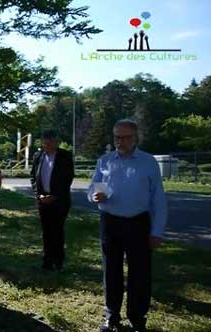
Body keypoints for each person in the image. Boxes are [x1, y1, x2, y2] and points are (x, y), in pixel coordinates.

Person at [88, 119, 167, 332]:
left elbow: (158, 199)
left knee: (139, 273)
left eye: (125, 137)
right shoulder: (105, 161)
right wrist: (96, 196)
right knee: (111, 271)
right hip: (110, 223)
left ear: (136, 138)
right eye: (117, 137)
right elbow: (93, 189)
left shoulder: (148, 162)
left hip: (138, 223)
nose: (120, 141)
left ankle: (137, 318)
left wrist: (157, 230)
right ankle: (111, 315)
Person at [30, 129, 74, 271]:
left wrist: (54, 196)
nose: (48, 146)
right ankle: (47, 261)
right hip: (43, 201)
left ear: (57, 142)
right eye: (45, 143)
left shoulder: (65, 156)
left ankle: (58, 262)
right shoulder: (38, 156)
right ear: (42, 142)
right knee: (46, 231)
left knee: (58, 231)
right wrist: (39, 195)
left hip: (59, 201)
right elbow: (33, 177)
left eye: (51, 143)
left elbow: (68, 178)